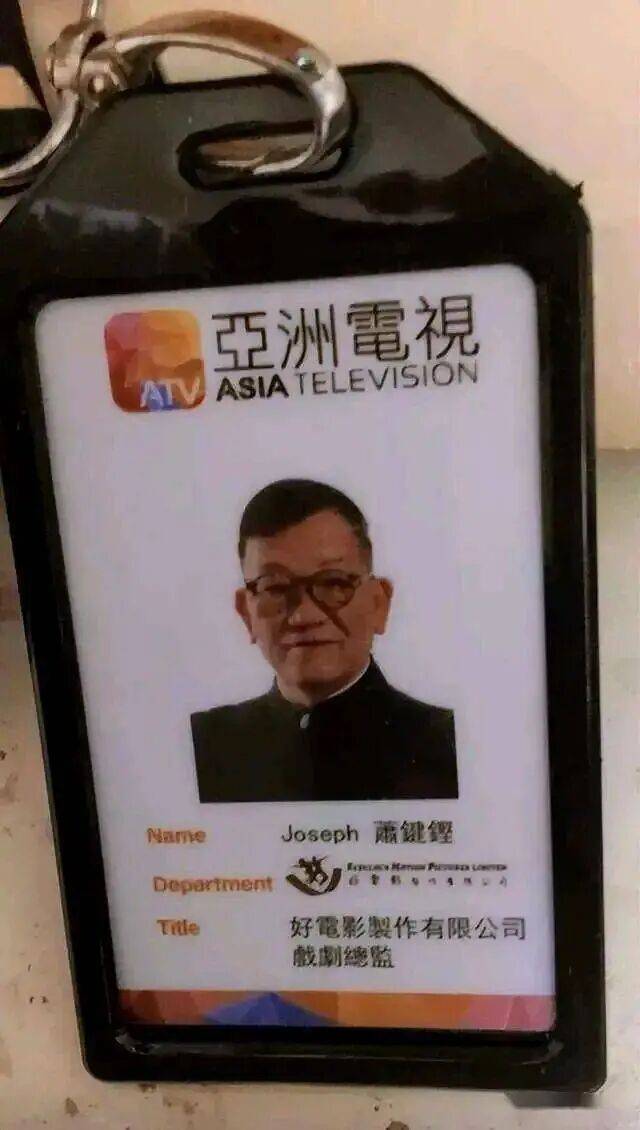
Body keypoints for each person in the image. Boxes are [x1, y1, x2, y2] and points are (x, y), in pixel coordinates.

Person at [191, 479, 457, 802]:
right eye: (275, 588)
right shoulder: (206, 747)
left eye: (333, 584)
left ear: (379, 604)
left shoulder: (447, 745)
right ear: (246, 613)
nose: (304, 616)